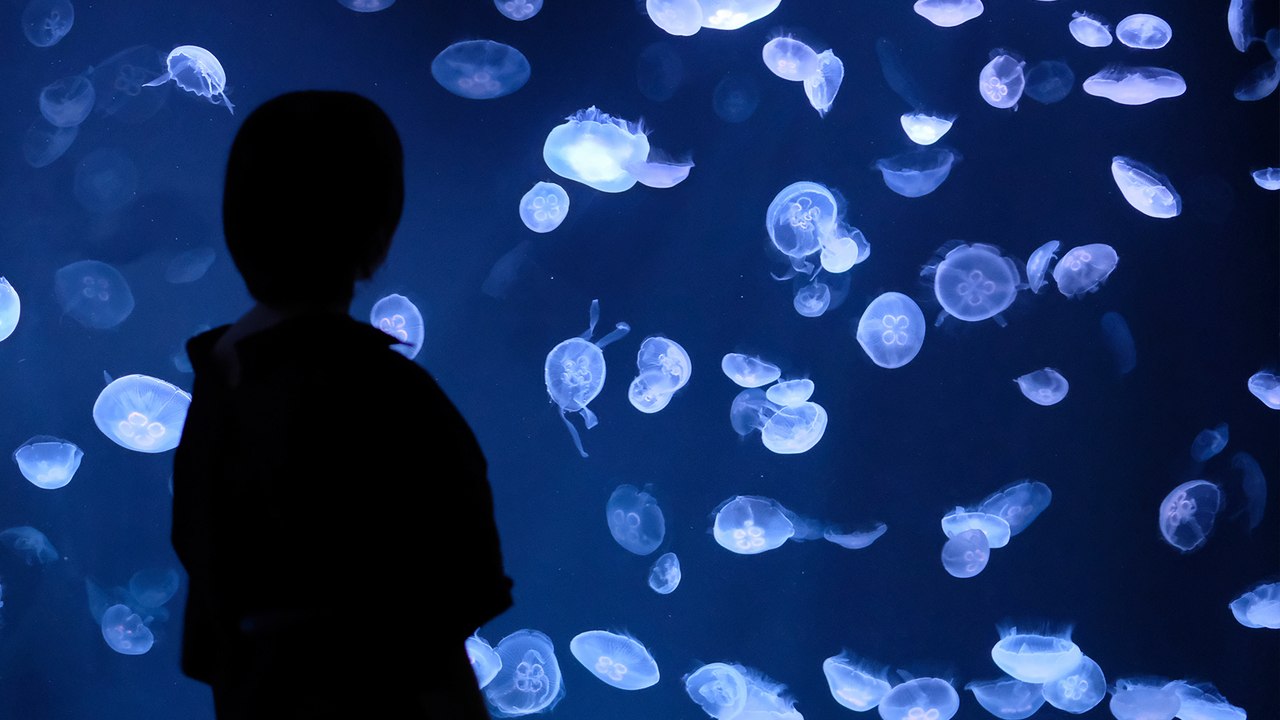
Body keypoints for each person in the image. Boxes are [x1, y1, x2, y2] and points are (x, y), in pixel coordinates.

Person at [171, 90, 513, 719]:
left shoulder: (217, 386)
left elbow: (212, 609)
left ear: (238, 226)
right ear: (380, 232)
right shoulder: (397, 399)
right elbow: (444, 626)